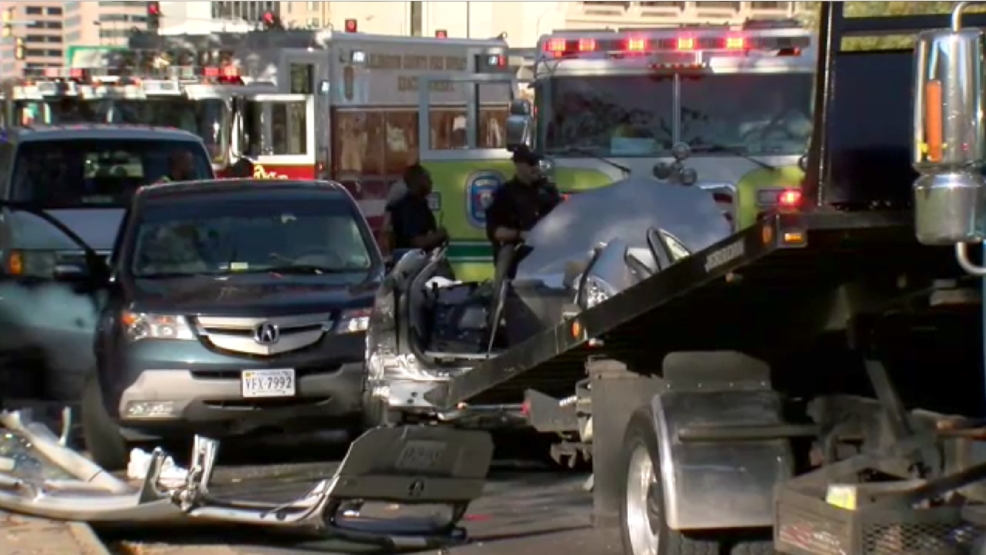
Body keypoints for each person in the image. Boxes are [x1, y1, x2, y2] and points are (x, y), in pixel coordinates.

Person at [485, 146, 561, 263]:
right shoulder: (505, 194)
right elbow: (495, 231)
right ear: (518, 165)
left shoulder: (549, 191)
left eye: (537, 163)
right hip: (519, 253)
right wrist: (520, 234)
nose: (536, 167)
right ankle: (500, 281)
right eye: (531, 163)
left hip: (547, 251)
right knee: (507, 250)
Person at [387, 163, 447, 251]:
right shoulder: (407, 207)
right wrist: (439, 235)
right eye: (427, 178)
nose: (430, 182)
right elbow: (417, 242)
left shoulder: (422, 205)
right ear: (417, 181)